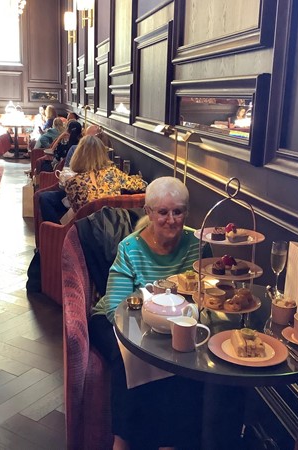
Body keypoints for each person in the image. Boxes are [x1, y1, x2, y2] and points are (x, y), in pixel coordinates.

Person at [89, 176, 209, 449]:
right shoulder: (130, 248)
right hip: (116, 321)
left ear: (186, 213)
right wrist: (158, 333)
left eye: (178, 211)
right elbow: (114, 309)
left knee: (186, 361)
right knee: (128, 354)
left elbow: (206, 299)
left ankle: (170, 442)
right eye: (163, 212)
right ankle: (123, 442)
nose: (171, 219)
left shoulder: (197, 246)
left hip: (172, 327)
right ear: (149, 213)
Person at [37, 125, 103, 223]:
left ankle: (58, 231)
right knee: (44, 197)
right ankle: (56, 230)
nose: (88, 142)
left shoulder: (102, 158)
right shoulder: (75, 150)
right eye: (86, 137)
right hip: (76, 194)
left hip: (87, 200)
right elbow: (66, 173)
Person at [64, 135, 146, 213]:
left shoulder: (71, 183)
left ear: (78, 155)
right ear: (103, 154)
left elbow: (75, 211)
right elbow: (142, 185)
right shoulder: (113, 173)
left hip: (85, 225)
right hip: (112, 223)